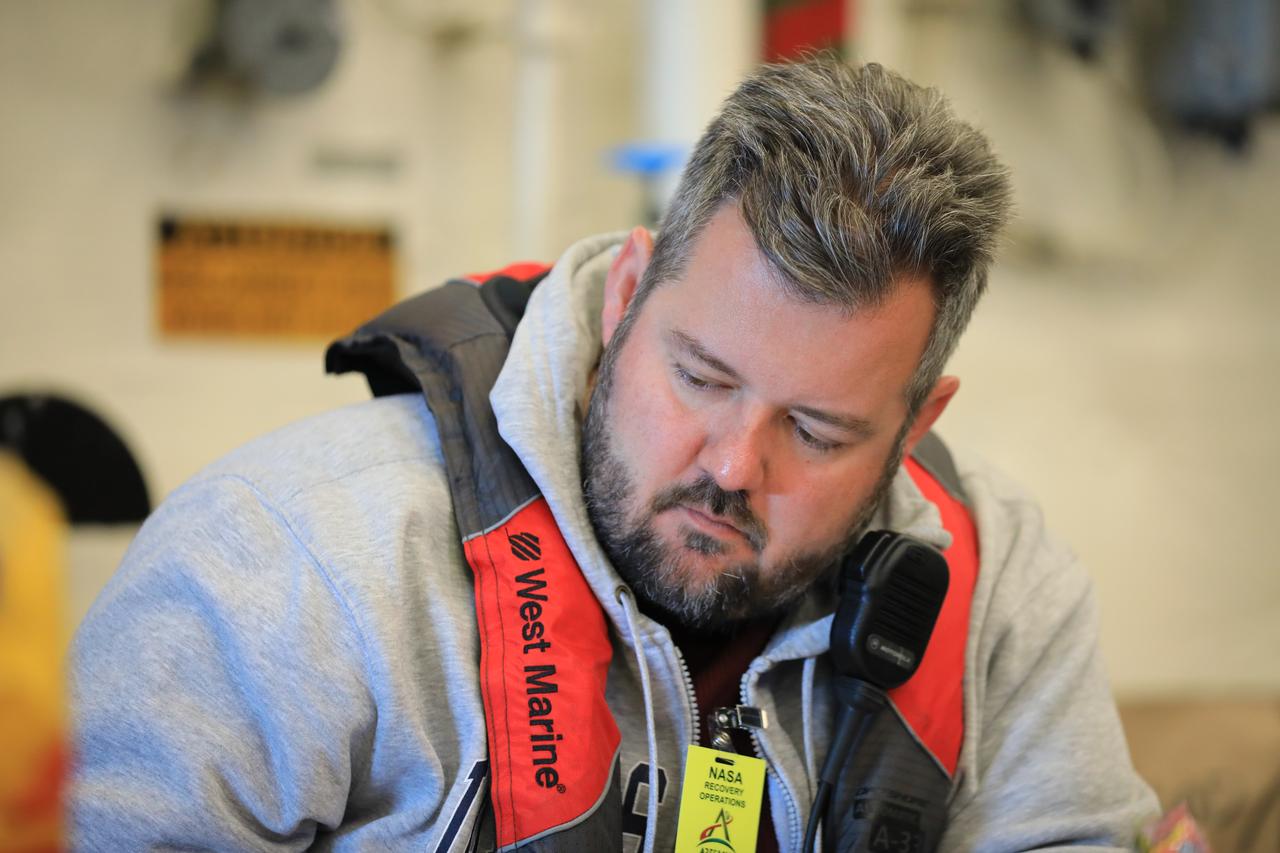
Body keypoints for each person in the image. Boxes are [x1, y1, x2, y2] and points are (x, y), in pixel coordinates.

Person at [70, 59, 1157, 851]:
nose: (732, 464)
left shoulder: (1003, 592)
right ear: (626, 300)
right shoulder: (290, 562)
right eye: (700, 376)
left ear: (915, 428)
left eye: (815, 431)